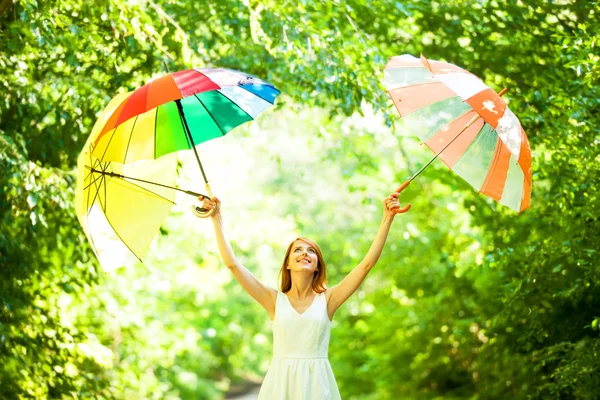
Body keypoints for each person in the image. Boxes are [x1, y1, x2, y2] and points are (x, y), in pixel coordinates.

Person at [196, 186, 408, 399]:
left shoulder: (328, 300)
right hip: (280, 387)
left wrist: (387, 218)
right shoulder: (273, 300)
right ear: (287, 263)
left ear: (317, 265)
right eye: (297, 249)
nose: (304, 253)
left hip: (317, 386)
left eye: (311, 251)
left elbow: (366, 264)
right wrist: (217, 218)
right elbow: (233, 265)